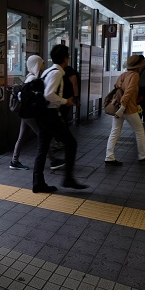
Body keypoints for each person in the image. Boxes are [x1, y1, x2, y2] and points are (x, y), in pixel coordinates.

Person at [32, 44, 87, 193]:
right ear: (65, 58)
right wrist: (65, 101)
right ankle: (68, 178)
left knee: (42, 149)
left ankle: (38, 182)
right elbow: (48, 94)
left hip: (42, 114)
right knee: (71, 143)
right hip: (50, 115)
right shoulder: (56, 73)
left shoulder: (49, 70)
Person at [10, 55, 59, 170]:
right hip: (29, 114)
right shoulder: (32, 79)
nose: (43, 65)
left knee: (22, 137)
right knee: (42, 136)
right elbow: (29, 98)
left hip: (25, 114)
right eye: (41, 63)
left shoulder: (30, 77)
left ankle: (14, 161)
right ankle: (53, 160)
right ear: (36, 64)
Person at [106, 55, 145, 166]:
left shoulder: (123, 75)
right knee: (139, 131)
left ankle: (109, 157)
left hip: (118, 107)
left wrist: (119, 107)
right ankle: (143, 155)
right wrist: (123, 106)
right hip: (128, 108)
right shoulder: (135, 75)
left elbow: (118, 88)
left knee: (114, 132)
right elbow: (129, 91)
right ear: (138, 66)